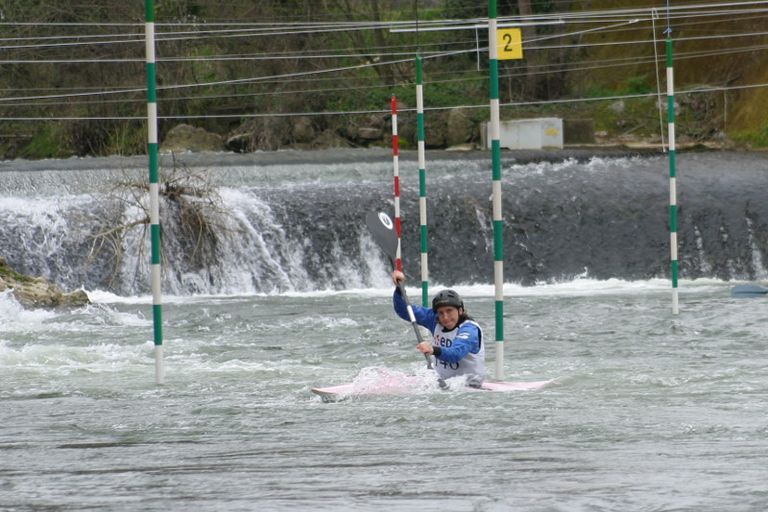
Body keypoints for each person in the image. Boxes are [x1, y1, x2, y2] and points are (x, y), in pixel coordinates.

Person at [391, 269, 485, 387]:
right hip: (441, 383)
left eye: (449, 311)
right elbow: (405, 311)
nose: (445, 317)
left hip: (468, 386)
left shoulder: (470, 330)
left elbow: (455, 354)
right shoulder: (435, 319)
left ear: (460, 310)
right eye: (441, 312)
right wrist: (399, 288)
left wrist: (433, 350)